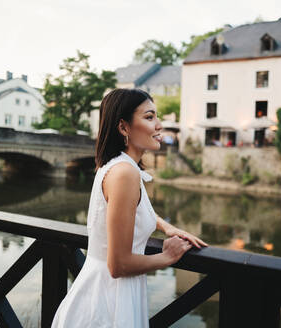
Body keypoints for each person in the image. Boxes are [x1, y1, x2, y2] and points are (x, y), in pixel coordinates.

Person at [51, 88, 207, 328]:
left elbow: (133, 213)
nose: (159, 125)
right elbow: (118, 265)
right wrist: (167, 257)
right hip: (109, 302)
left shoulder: (117, 167)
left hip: (103, 292)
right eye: (149, 117)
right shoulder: (124, 174)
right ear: (123, 127)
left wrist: (165, 226)